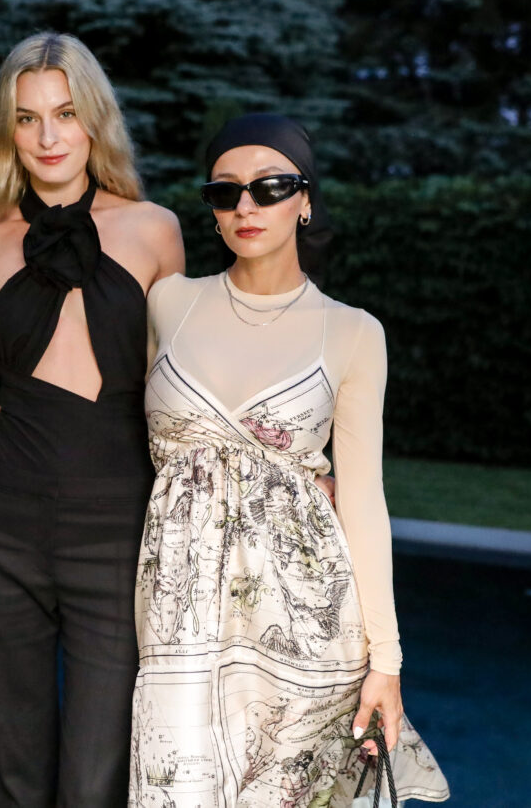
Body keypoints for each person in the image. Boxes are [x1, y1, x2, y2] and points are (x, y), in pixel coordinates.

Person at [127, 114, 450, 806]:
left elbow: (363, 500)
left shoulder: (353, 332)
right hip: (179, 616)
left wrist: (387, 661)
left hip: (307, 619)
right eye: (225, 191)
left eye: (270, 187)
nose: (246, 206)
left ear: (305, 201)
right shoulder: (169, 303)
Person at [0, 32, 185, 807]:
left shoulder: (154, 230)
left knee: (95, 781)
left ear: (94, 120)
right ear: (7, 130)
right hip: (0, 529)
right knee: (19, 775)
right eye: (28, 118)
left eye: (65, 113)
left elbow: (182, 388)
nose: (48, 136)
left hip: (118, 527)